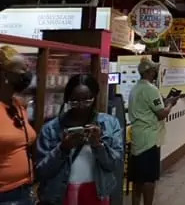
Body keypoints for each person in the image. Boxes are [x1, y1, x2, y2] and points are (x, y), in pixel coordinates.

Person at [36, 74, 123, 205]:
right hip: (59, 194)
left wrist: (98, 145)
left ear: (94, 97)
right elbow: (41, 171)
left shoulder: (110, 124)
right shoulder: (51, 129)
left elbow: (114, 164)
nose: (81, 106)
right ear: (67, 100)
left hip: (98, 192)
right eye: (75, 101)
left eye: (87, 100)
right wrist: (63, 148)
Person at [128, 58, 178, 205]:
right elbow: (161, 113)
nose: (156, 72)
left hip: (137, 138)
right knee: (149, 179)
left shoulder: (135, 89)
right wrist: (170, 104)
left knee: (138, 179)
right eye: (154, 70)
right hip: (149, 139)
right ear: (149, 72)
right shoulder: (151, 89)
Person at [0, 46, 36, 205]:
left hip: (24, 190)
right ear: (5, 75)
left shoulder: (17, 105)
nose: (27, 75)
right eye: (22, 70)